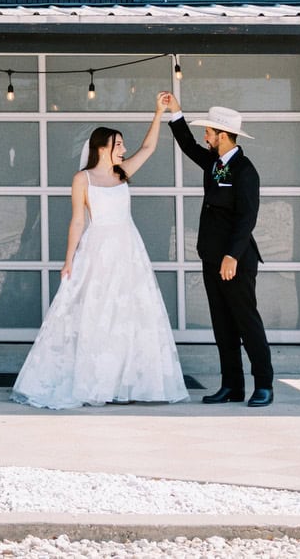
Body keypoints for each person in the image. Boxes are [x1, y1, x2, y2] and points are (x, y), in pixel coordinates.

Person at [10, 95, 186, 409]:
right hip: (98, 249)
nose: (123, 148)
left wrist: (159, 112)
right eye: (118, 144)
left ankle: (125, 381)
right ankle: (95, 381)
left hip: (128, 249)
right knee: (96, 312)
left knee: (130, 314)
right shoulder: (83, 179)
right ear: (102, 147)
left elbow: (149, 149)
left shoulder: (122, 173)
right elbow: (77, 220)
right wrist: (68, 259)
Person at [168, 102, 274, 407]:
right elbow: (187, 145)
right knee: (222, 325)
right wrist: (176, 112)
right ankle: (232, 385)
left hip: (236, 260)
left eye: (209, 132)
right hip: (211, 257)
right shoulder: (214, 163)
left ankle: (264, 384)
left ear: (223, 136)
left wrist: (232, 256)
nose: (205, 136)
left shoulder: (245, 170)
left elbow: (247, 218)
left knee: (246, 322)